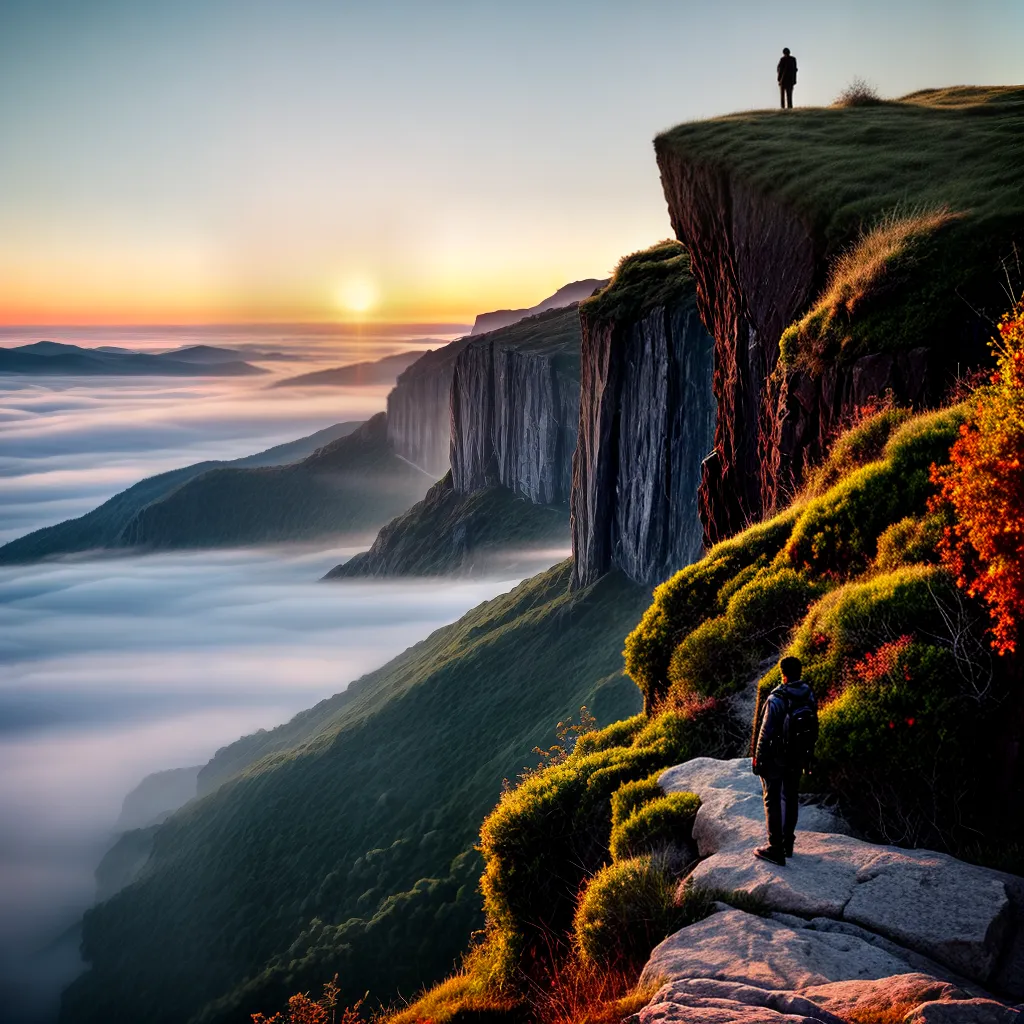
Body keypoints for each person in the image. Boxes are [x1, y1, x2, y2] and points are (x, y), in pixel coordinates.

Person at [751, 655, 818, 866]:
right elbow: (813, 725)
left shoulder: (777, 698)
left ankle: (775, 848)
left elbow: (766, 732)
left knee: (772, 799)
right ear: (800, 672)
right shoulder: (808, 694)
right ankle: (788, 844)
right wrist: (808, 755)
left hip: (777, 758)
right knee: (790, 797)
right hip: (798, 755)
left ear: (783, 674)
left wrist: (758, 759)